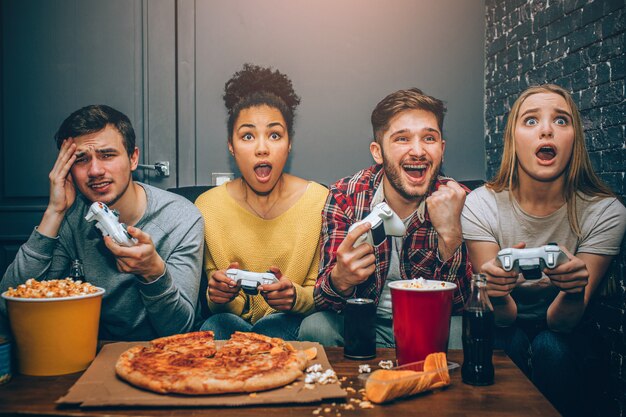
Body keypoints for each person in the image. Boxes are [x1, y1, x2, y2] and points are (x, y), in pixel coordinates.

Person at [461, 84, 626, 417]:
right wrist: (498, 291)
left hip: (567, 335)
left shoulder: (606, 212)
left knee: (551, 345)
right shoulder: (481, 204)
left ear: (574, 140)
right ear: (513, 140)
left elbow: (562, 323)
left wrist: (574, 290)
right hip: (504, 330)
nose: (547, 129)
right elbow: (503, 318)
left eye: (561, 121)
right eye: (531, 120)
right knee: (511, 342)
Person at [0, 105, 204, 341]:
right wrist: (54, 212)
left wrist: (153, 273)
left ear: (133, 158)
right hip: (90, 350)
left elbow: (179, 331)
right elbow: (9, 307)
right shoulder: (69, 217)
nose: (95, 170)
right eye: (81, 159)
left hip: (164, 353)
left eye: (107, 155)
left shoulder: (181, 218)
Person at [298, 88, 472, 347]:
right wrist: (341, 279)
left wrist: (450, 236)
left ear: (442, 149)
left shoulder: (459, 200)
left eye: (429, 138)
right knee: (316, 327)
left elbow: (461, 306)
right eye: (402, 139)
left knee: (460, 331)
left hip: (428, 325)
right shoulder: (345, 196)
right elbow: (324, 301)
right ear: (377, 152)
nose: (418, 151)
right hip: (363, 323)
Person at [195, 64, 328, 340]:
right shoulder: (207, 208)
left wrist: (295, 297)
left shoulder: (319, 200)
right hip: (230, 327)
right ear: (231, 146)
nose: (262, 148)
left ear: (289, 143)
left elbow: (322, 293)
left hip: (291, 325)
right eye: (247, 136)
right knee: (215, 325)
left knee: (277, 326)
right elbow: (222, 305)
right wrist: (219, 295)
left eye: (275, 135)